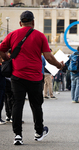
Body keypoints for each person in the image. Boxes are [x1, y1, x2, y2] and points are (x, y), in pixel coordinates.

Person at [0, 10, 64, 145]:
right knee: (36, 105)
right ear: (33, 22)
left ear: (20, 23)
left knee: (17, 104)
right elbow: (48, 57)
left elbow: (1, 49)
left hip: (17, 76)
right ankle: (38, 132)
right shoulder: (40, 36)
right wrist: (59, 65)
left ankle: (17, 135)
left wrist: (7, 58)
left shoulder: (12, 35)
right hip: (35, 77)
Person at [0, 55, 6, 125]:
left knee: (2, 102)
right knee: (0, 103)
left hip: (2, 86)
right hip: (1, 86)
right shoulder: (1, 67)